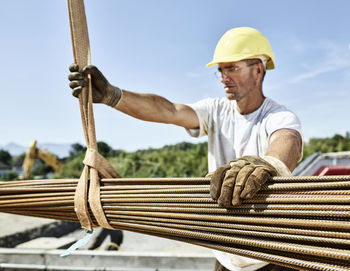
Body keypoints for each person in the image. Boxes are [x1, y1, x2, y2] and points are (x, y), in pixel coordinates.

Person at [68, 27, 302, 271]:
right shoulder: (216, 111)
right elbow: (169, 110)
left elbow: (288, 141)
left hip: (270, 257)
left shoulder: (278, 116)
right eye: (220, 71)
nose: (224, 77)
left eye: (232, 68)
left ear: (258, 70)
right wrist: (112, 95)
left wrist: (269, 163)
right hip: (227, 255)